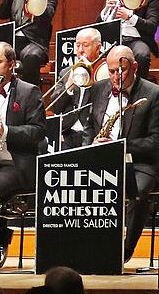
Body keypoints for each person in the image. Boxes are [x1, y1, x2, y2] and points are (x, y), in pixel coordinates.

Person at [82, 45, 159, 262]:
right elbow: (90, 126)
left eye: (121, 71)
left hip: (139, 164)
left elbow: (155, 141)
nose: (116, 76)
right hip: (102, 160)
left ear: (134, 67)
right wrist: (90, 145)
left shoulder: (153, 94)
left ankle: (124, 252)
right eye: (112, 70)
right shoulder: (98, 88)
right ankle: (85, 246)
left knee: (138, 193)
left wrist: (119, 144)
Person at [0, 42, 46, 266]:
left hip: (17, 164)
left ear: (11, 65)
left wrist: (6, 130)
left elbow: (38, 132)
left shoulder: (29, 91)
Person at [0, 0, 58, 87]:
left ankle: (30, 97)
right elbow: (1, 15)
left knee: (31, 56)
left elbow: (47, 16)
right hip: (14, 42)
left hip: (34, 43)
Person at [99, 0, 159, 79]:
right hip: (114, 39)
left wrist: (130, 16)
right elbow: (99, 25)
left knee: (142, 55)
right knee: (96, 54)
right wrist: (106, 9)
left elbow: (151, 27)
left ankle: (139, 88)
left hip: (137, 39)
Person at [49, 27, 102, 149]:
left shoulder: (103, 72)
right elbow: (55, 107)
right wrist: (69, 86)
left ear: (98, 48)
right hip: (66, 132)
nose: (80, 50)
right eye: (77, 45)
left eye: (85, 45)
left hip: (92, 134)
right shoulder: (66, 72)